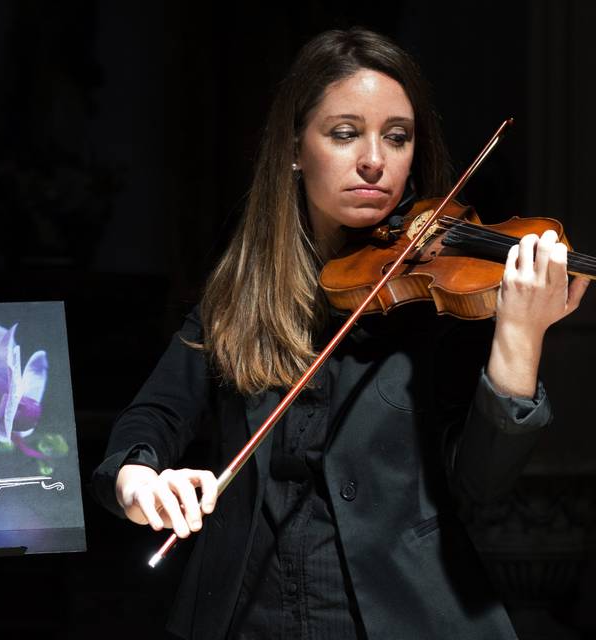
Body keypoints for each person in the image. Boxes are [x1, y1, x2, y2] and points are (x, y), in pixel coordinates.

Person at [91, 27, 589, 640]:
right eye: (345, 133)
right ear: (296, 148)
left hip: (406, 617)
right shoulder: (241, 294)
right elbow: (153, 418)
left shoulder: (439, 299)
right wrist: (138, 477)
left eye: (397, 137)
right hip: (244, 617)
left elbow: (482, 487)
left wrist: (521, 336)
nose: (375, 160)